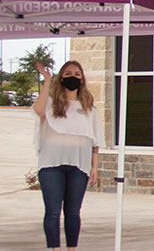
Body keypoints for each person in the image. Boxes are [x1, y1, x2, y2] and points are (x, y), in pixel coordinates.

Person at [33, 60, 103, 251]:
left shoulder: (89, 107)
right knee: (53, 212)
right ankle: (54, 249)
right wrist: (47, 81)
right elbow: (38, 110)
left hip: (79, 166)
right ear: (61, 76)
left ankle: (71, 248)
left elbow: (95, 141)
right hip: (51, 165)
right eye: (68, 73)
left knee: (73, 213)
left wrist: (94, 167)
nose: (73, 77)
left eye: (77, 74)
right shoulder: (50, 103)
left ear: (82, 79)